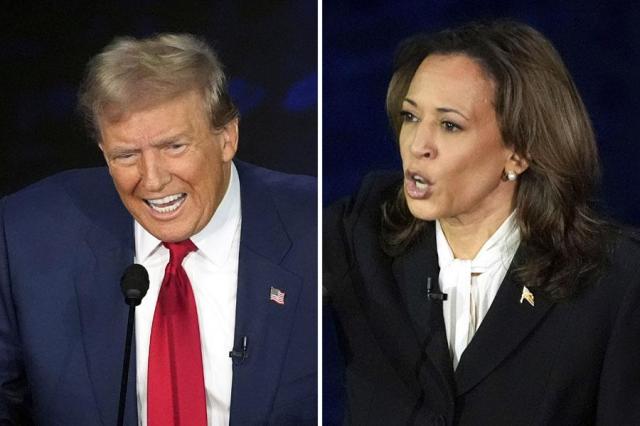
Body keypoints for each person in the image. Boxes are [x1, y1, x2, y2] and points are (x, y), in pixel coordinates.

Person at [324, 20, 640, 425]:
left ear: (519, 153)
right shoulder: (361, 234)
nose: (418, 145)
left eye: (449, 125)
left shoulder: (615, 281)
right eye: (410, 117)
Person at [0, 33, 316, 425]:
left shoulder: (317, 231)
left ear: (227, 138)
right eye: (127, 155)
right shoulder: (28, 235)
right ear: (104, 152)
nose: (151, 180)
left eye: (174, 147)